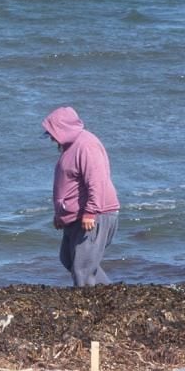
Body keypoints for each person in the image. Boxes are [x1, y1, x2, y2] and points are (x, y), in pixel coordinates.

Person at [41, 106, 120, 286]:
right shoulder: (70, 147)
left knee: (82, 269)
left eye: (52, 132)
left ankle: (90, 308)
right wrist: (60, 215)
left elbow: (97, 180)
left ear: (62, 128)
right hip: (75, 216)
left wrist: (90, 212)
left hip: (95, 214)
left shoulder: (86, 145)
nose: (51, 138)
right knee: (68, 258)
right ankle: (107, 293)